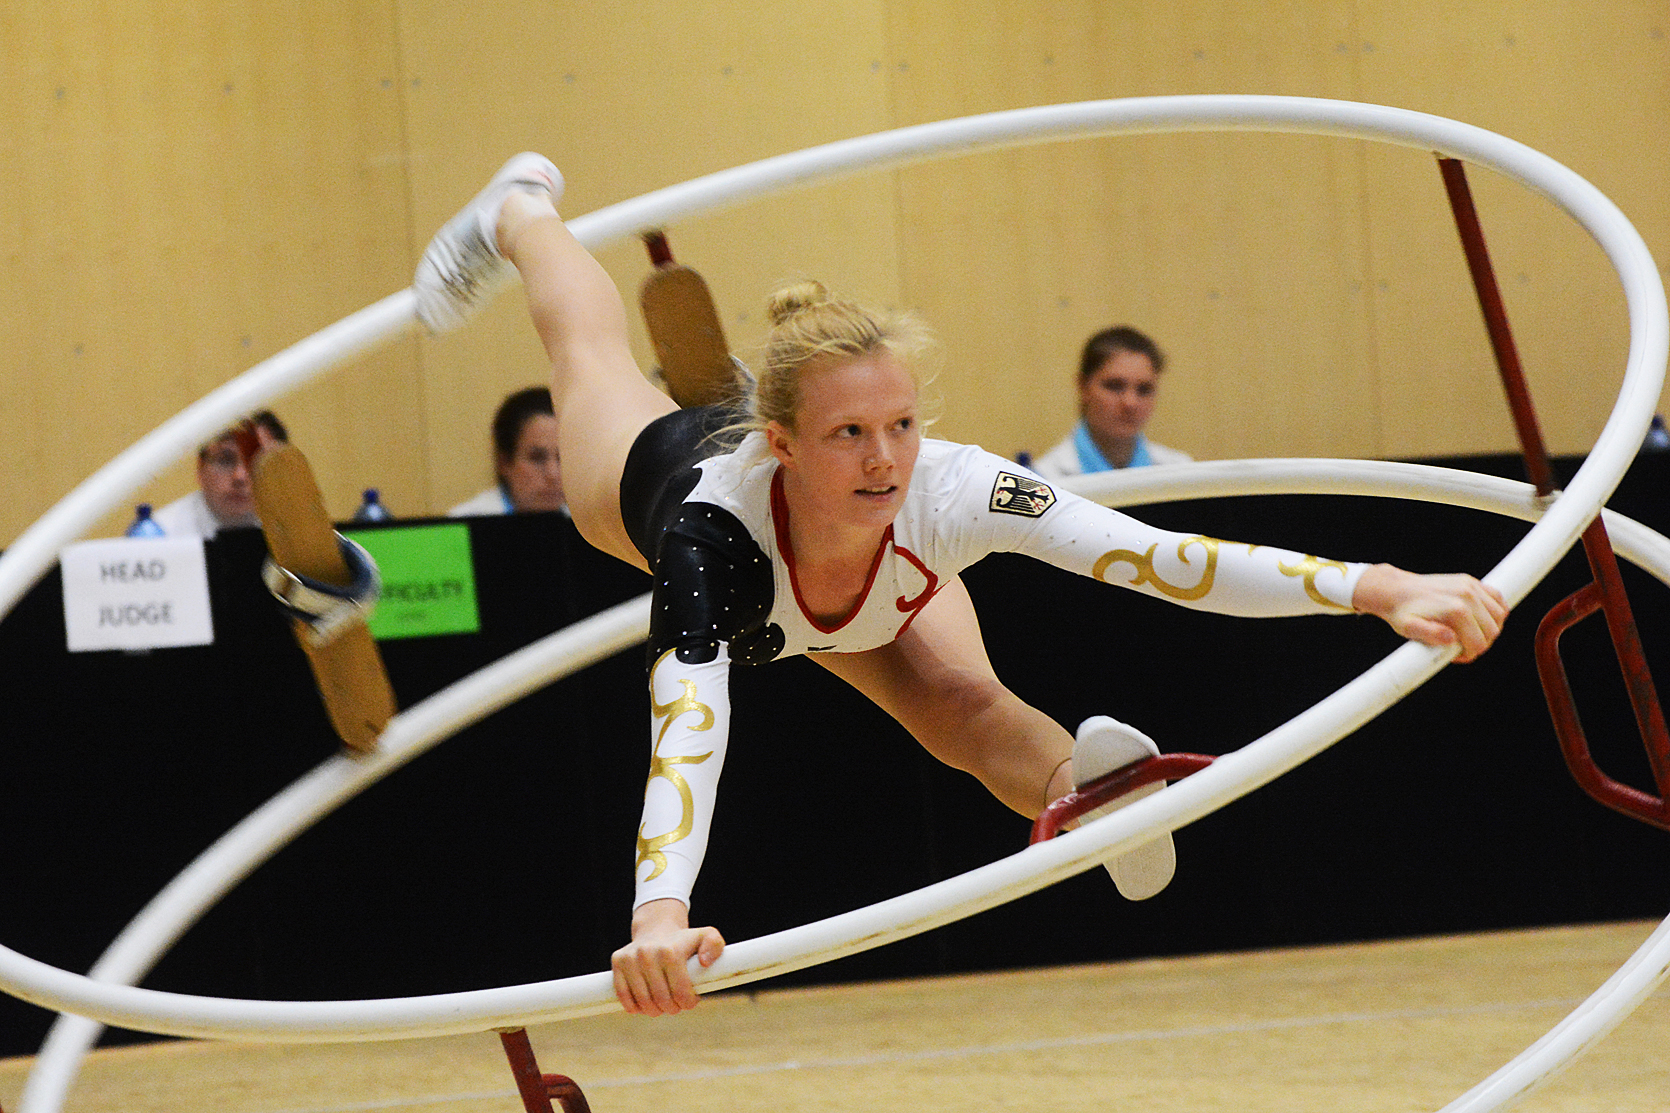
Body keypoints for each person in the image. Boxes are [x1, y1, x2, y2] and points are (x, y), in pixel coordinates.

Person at [412, 154, 1508, 1020]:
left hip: (870, 579)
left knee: (959, 703)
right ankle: (520, 208)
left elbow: (1161, 561)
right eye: (849, 434)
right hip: (666, 498)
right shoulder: (709, 546)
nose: (885, 456)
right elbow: (687, 730)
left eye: (898, 424)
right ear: (786, 445)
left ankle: (1079, 796)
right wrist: (660, 917)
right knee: (587, 346)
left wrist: (1377, 586)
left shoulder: (948, 487)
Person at [1031, 326, 1191, 478]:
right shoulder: (1045, 480)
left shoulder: (1182, 472)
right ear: (1083, 387)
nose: (1130, 403)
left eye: (1144, 389)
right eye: (1114, 386)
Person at [151, 410, 288, 537]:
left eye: (256, 461)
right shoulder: (157, 537)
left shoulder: (299, 532)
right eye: (225, 461)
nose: (240, 477)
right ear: (200, 468)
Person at [448, 386, 569, 516]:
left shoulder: (586, 524)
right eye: (537, 458)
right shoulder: (464, 522)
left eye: (563, 458)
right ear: (504, 462)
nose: (553, 474)